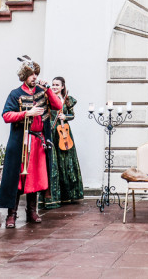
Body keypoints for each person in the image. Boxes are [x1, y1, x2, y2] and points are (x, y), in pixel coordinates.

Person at [0, 57, 63, 228]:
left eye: (36, 74)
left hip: (38, 141)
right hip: (21, 142)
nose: (34, 77)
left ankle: (32, 212)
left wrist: (48, 89)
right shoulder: (15, 94)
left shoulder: (42, 91)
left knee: (34, 178)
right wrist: (28, 113)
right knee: (17, 178)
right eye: (31, 74)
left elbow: (57, 105)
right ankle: (11, 215)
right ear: (24, 76)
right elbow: (6, 115)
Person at [42, 76, 84, 209]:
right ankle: (53, 198)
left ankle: (68, 195)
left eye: (57, 85)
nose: (54, 87)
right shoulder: (48, 99)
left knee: (67, 162)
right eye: (53, 84)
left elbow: (72, 115)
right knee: (54, 163)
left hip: (64, 133)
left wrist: (65, 117)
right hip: (52, 132)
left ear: (62, 87)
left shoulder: (67, 100)